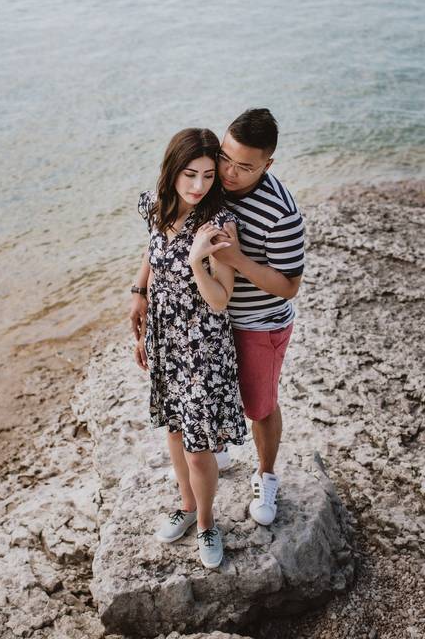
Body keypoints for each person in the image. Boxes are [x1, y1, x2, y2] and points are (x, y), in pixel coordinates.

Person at [130, 109, 304, 528]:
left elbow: (288, 286)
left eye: (245, 166)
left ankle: (265, 475)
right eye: (226, 158)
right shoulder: (206, 185)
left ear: (267, 164)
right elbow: (161, 236)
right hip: (204, 325)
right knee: (198, 419)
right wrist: (139, 290)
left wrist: (234, 258)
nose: (228, 172)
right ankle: (208, 455)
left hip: (259, 320)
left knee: (259, 406)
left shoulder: (281, 215)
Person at [132, 128, 247, 569]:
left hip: (203, 348)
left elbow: (221, 300)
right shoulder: (155, 206)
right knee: (175, 431)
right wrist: (137, 291)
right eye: (190, 174)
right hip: (166, 337)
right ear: (172, 171)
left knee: (200, 446)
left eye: (207, 175)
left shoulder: (217, 227)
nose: (199, 186)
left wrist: (199, 257)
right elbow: (152, 248)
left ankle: (206, 522)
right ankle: (184, 504)